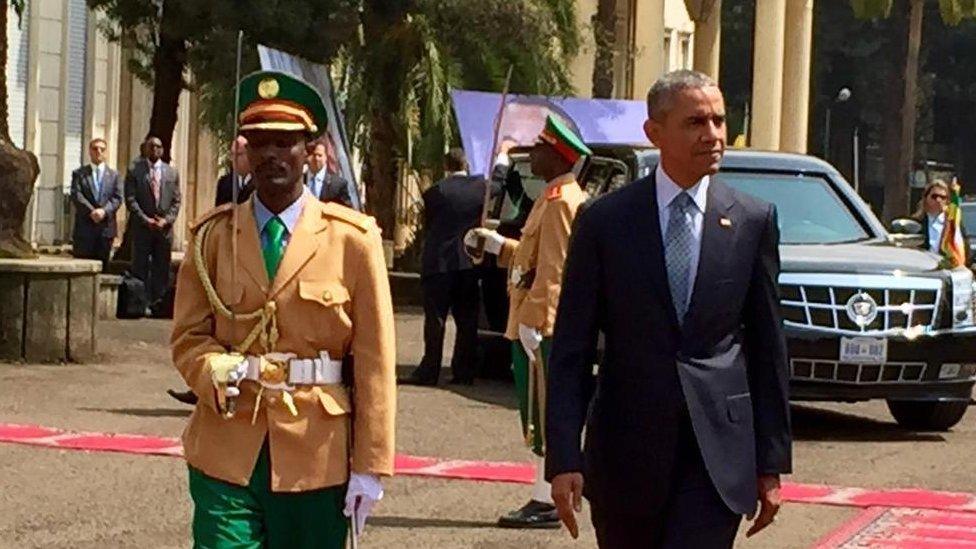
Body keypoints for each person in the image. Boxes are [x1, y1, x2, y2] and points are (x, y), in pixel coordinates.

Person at [544, 70, 792, 548]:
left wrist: (771, 463)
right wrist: (564, 458)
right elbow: (571, 347)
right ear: (655, 133)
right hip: (625, 456)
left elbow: (768, 350)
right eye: (696, 122)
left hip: (717, 458)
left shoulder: (752, 220)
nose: (714, 134)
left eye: (719, 120)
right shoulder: (605, 221)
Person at [170, 70, 396, 549]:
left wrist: (371, 465)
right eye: (259, 142)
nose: (271, 153)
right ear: (245, 152)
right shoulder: (211, 236)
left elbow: (375, 361)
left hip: (316, 451)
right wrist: (211, 367)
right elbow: (188, 336)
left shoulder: (352, 240)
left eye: (285, 142)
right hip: (228, 443)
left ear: (309, 152)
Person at [465, 115, 591, 529]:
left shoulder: (559, 203)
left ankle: (545, 498)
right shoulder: (551, 197)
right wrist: (499, 245)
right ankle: (542, 494)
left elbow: (554, 271)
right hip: (535, 318)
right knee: (537, 411)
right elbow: (533, 256)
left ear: (557, 155)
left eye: (540, 148)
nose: (532, 154)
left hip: (542, 325)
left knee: (542, 413)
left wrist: (537, 322)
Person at [400, 148, 484, 386]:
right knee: (467, 320)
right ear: (466, 164)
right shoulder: (481, 189)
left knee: (435, 319)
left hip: (439, 262)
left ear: (446, 166)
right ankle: (464, 371)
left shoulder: (434, 192)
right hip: (468, 263)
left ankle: (430, 369)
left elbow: (429, 227)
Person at [124, 136, 181, 316]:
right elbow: (131, 199)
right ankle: (140, 305)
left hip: (163, 230)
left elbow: (176, 201)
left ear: (162, 150)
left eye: (158, 146)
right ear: (145, 149)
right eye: (151, 146)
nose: (155, 149)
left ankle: (159, 305)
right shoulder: (135, 170)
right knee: (140, 267)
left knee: (161, 268)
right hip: (143, 229)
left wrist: (166, 220)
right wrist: (145, 219)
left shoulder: (172, 173)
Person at [70, 138, 122, 269]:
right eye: (95, 149)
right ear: (89, 152)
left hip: (105, 230)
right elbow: (77, 195)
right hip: (85, 229)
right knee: (82, 269)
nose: (98, 152)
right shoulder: (79, 174)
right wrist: (91, 211)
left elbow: (117, 197)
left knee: (103, 269)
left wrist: (104, 211)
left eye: (102, 149)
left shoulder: (114, 175)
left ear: (106, 153)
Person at [911, 178, 971, 261]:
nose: (938, 200)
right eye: (934, 196)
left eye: (943, 197)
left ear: (947, 201)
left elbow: (965, 247)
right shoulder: (916, 223)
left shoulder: (953, 223)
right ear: (926, 198)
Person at [305, 134, 355, 209]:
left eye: (320, 155)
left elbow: (347, 212)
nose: (316, 159)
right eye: (314, 155)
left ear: (326, 157)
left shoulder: (338, 185)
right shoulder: (301, 183)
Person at [214, 136, 254, 206]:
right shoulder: (224, 183)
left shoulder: (259, 183)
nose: (234, 159)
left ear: (249, 155)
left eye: (239, 154)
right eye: (232, 154)